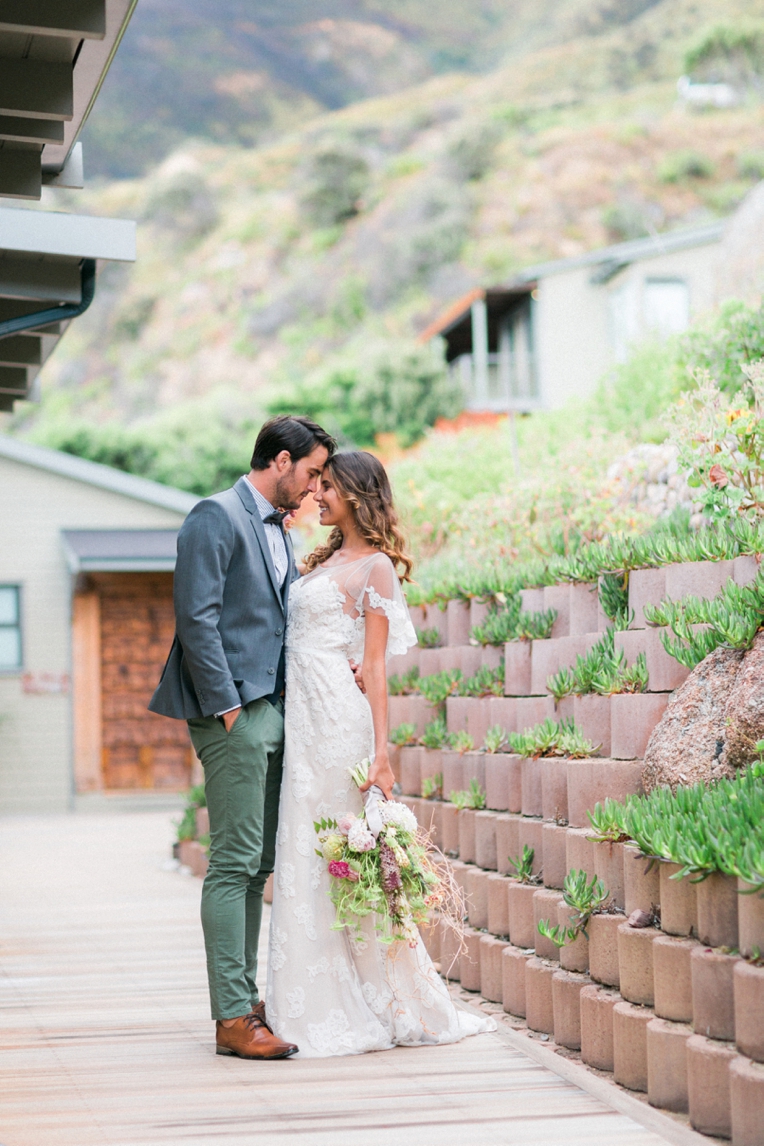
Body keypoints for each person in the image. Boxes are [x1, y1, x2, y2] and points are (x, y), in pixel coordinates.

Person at [266, 451, 495, 1056]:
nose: (317, 494)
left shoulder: (376, 569)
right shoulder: (319, 560)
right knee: (302, 849)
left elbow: (373, 666)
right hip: (302, 719)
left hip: (339, 722)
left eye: (329, 487)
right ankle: (305, 997)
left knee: (340, 857)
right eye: (317, 485)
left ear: (356, 494)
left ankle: (382, 998)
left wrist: (383, 753)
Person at [149, 415, 336, 1060]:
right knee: (232, 864)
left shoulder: (280, 528)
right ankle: (231, 1018)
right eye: (311, 473)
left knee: (258, 865)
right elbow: (195, 618)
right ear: (281, 462)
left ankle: (246, 1001)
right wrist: (228, 708)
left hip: (278, 710)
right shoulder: (215, 515)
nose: (316, 488)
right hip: (236, 713)